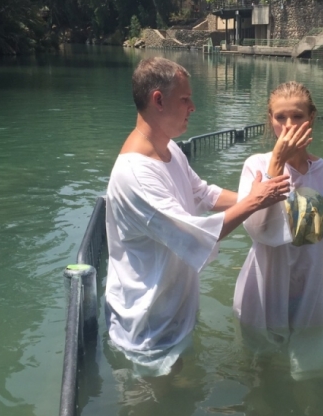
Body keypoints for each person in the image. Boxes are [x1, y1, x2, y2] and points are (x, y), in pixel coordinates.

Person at [105, 57, 290, 377]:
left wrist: (259, 197)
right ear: (158, 100)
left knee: (181, 405)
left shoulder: (168, 149)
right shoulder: (135, 175)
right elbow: (194, 234)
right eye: (186, 99)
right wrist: (256, 201)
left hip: (175, 314)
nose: (193, 107)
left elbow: (203, 194)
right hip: (148, 331)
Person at [233, 82, 323, 377]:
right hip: (265, 287)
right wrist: (277, 163)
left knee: (310, 375)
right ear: (270, 120)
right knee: (261, 373)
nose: (288, 126)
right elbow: (257, 229)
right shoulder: (256, 166)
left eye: (297, 116)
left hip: (315, 289)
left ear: (311, 118)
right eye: (280, 118)